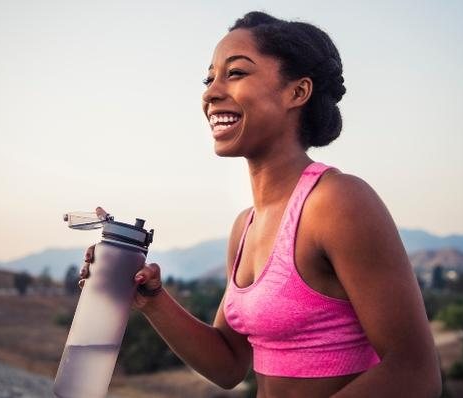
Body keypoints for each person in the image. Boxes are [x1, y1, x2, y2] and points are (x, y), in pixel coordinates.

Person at [80, 11, 442, 397]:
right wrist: (151, 300)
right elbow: (228, 364)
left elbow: (415, 373)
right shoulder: (245, 226)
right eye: (209, 78)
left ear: (296, 92)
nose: (211, 92)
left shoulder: (337, 202)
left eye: (235, 73)